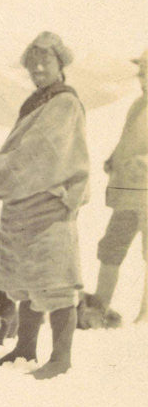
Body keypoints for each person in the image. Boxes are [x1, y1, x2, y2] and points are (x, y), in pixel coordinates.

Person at [0, 31, 90, 380]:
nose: (38, 67)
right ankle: (24, 349)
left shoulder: (64, 103)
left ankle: (61, 358)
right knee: (25, 279)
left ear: (60, 63)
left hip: (49, 205)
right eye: (32, 62)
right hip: (24, 204)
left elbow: (37, 157)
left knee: (54, 282)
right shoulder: (40, 101)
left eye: (46, 60)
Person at [86, 49, 148, 326]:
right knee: (111, 246)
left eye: (146, 70)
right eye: (142, 70)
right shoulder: (138, 105)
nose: (142, 77)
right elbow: (128, 140)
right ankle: (100, 306)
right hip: (127, 192)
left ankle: (146, 315)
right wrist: (114, 158)